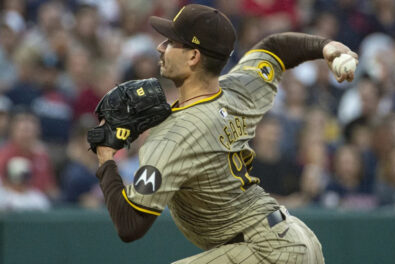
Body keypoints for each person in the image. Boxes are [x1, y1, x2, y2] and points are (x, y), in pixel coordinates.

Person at [94, 4, 357, 263]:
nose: (161, 47)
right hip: (298, 238)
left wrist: (106, 156)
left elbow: (130, 225)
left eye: (172, 42)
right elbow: (274, 48)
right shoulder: (240, 89)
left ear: (194, 56)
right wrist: (325, 46)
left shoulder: (173, 136)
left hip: (266, 251)